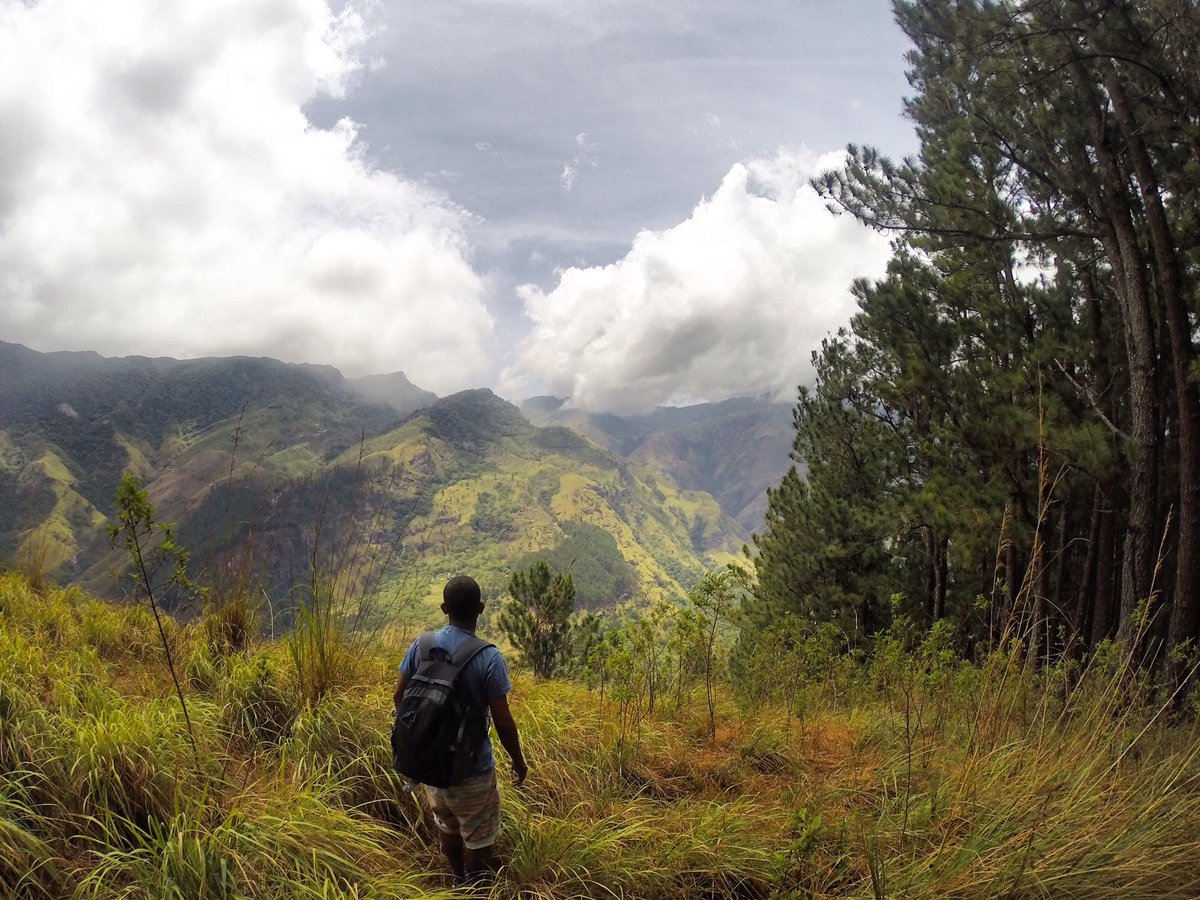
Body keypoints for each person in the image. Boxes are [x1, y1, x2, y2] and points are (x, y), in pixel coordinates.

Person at [393, 574, 528, 886]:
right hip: (473, 770)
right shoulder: (489, 657)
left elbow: (399, 696)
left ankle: (456, 877)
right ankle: (475, 888)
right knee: (479, 838)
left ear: (443, 608)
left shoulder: (421, 646)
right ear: (480, 608)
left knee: (447, 825)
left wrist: (420, 734)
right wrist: (518, 761)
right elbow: (504, 722)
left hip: (430, 767)